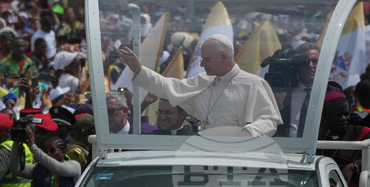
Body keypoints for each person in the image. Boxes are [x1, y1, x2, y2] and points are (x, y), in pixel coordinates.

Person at [118, 35, 281, 137]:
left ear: (224, 57)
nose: (202, 64)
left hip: (241, 157)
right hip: (207, 154)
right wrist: (139, 70)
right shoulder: (203, 80)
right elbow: (167, 87)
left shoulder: (253, 84)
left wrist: (248, 133)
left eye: (206, 59)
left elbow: (269, 121)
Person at [274, 43, 319, 138]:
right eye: (305, 62)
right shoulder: (285, 93)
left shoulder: (330, 94)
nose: (310, 65)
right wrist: (279, 106)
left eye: (315, 61)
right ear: (296, 65)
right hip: (287, 149)